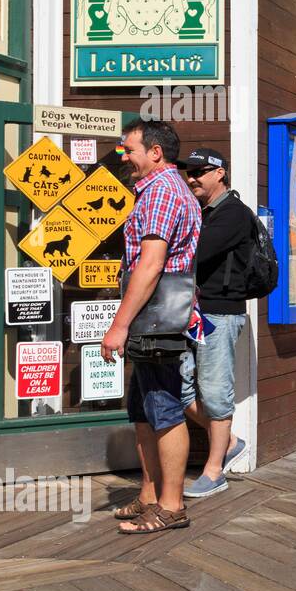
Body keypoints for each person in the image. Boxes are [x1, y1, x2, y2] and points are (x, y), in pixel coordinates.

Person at [100, 119, 201, 534]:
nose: (125, 158)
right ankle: (149, 495)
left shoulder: (160, 191)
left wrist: (118, 325)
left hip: (157, 318)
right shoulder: (163, 190)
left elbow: (151, 263)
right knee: (144, 409)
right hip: (153, 317)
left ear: (155, 152)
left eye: (130, 150)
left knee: (164, 408)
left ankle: (172, 505)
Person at [180, 148, 252, 498]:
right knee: (178, 387)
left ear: (220, 173)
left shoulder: (233, 214)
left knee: (214, 391)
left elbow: (195, 252)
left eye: (200, 171)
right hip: (193, 312)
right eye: (188, 172)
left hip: (219, 314)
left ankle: (214, 471)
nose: (192, 177)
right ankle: (231, 441)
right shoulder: (203, 212)